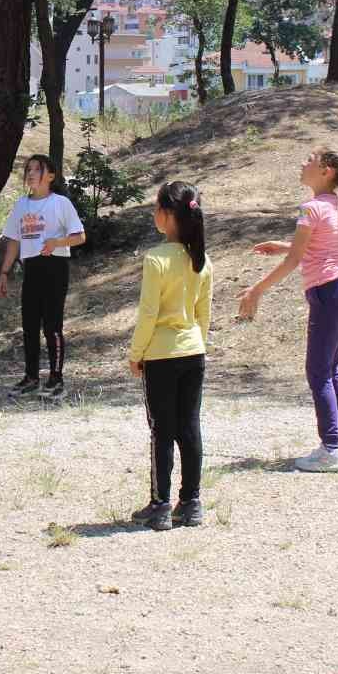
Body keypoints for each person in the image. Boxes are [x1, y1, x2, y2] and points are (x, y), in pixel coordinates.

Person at [238, 148, 338, 473]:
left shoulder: (311, 208)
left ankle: (330, 451)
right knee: (331, 368)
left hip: (328, 292)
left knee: (318, 372)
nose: (302, 162)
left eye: (309, 159)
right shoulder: (332, 203)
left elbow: (296, 260)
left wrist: (256, 291)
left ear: (325, 171)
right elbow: (317, 246)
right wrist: (284, 245)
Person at [128, 181, 212, 531]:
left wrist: (136, 353)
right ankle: (190, 502)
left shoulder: (156, 259)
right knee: (189, 426)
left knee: (161, 430)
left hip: (161, 355)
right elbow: (203, 314)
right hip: (194, 351)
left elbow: (148, 314)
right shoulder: (202, 260)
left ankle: (159, 505)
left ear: (165, 215)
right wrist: (197, 344)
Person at [0, 154, 86, 400]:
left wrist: (57, 242)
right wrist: (5, 272)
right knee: (29, 325)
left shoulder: (60, 203)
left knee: (52, 325)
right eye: (28, 169)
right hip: (31, 269)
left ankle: (56, 379)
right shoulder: (21, 206)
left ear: (51, 176)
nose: (31, 173)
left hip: (55, 267)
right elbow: (14, 241)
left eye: (37, 169)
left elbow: (80, 236)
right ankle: (31, 377)